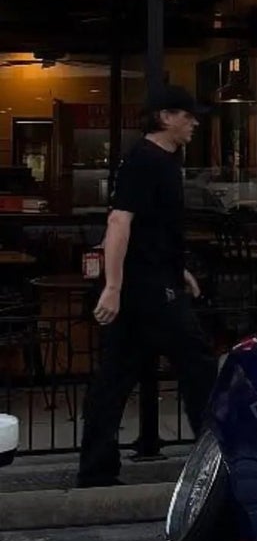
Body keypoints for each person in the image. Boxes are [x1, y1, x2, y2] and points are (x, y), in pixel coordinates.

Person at [77, 86, 215, 489]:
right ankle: (216, 462)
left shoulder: (164, 161)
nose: (195, 122)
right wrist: (113, 286)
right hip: (149, 292)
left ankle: (97, 470)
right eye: (188, 115)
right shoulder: (146, 161)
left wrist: (179, 269)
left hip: (155, 283)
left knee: (115, 377)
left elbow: (156, 230)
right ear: (165, 117)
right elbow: (119, 223)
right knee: (199, 366)